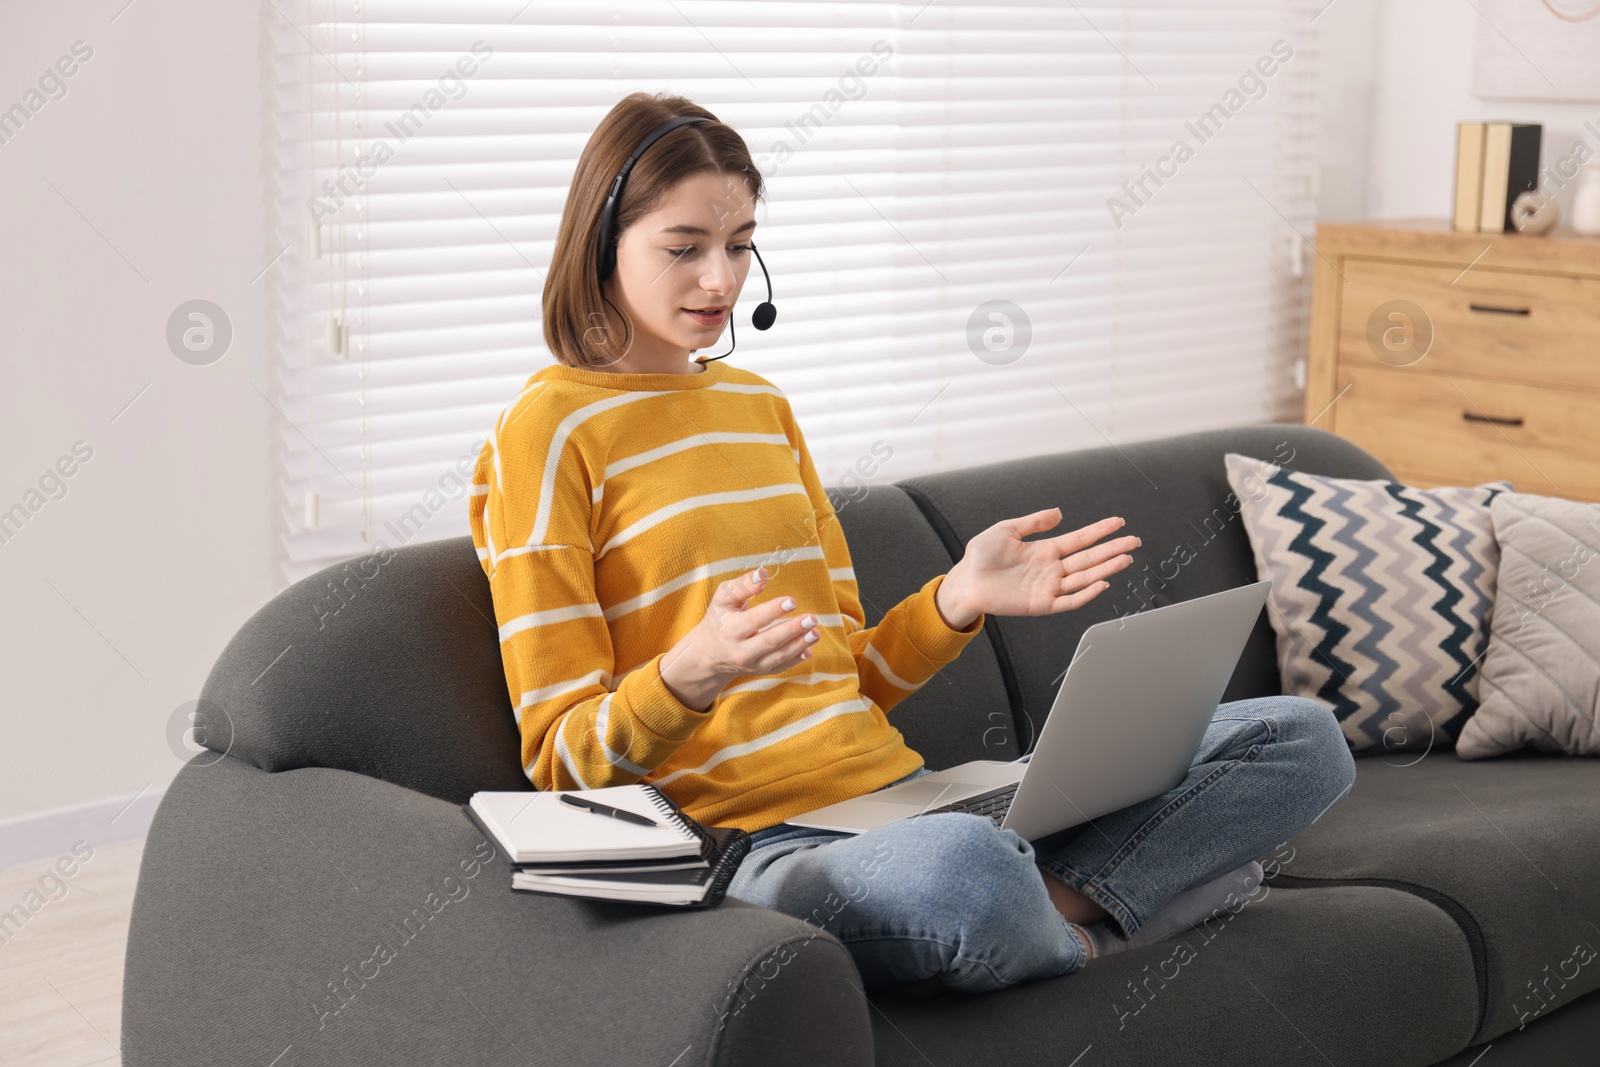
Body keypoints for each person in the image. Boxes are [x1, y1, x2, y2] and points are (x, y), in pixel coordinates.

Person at [468, 91, 1357, 993]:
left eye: (739, 246)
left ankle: (1045, 904)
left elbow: (850, 676)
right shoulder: (546, 434)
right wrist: (689, 674)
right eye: (684, 248)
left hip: (909, 799)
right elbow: (562, 762)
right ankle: (1106, 924)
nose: (722, 283)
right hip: (762, 849)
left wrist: (957, 599)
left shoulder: (760, 409)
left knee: (1301, 736)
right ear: (601, 241)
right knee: (962, 875)